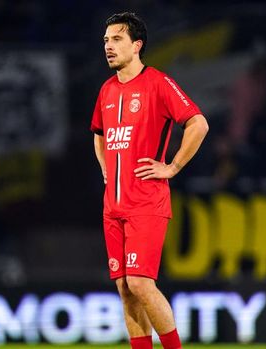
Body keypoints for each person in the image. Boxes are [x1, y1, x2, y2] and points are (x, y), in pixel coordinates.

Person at [90, 12, 209, 349]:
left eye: (116, 39)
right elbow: (99, 135)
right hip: (112, 207)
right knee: (126, 290)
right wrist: (104, 168)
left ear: (137, 45)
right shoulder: (107, 90)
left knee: (141, 283)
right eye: (105, 41)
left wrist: (172, 166)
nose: (108, 47)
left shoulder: (157, 83)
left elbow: (198, 123)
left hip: (146, 202)